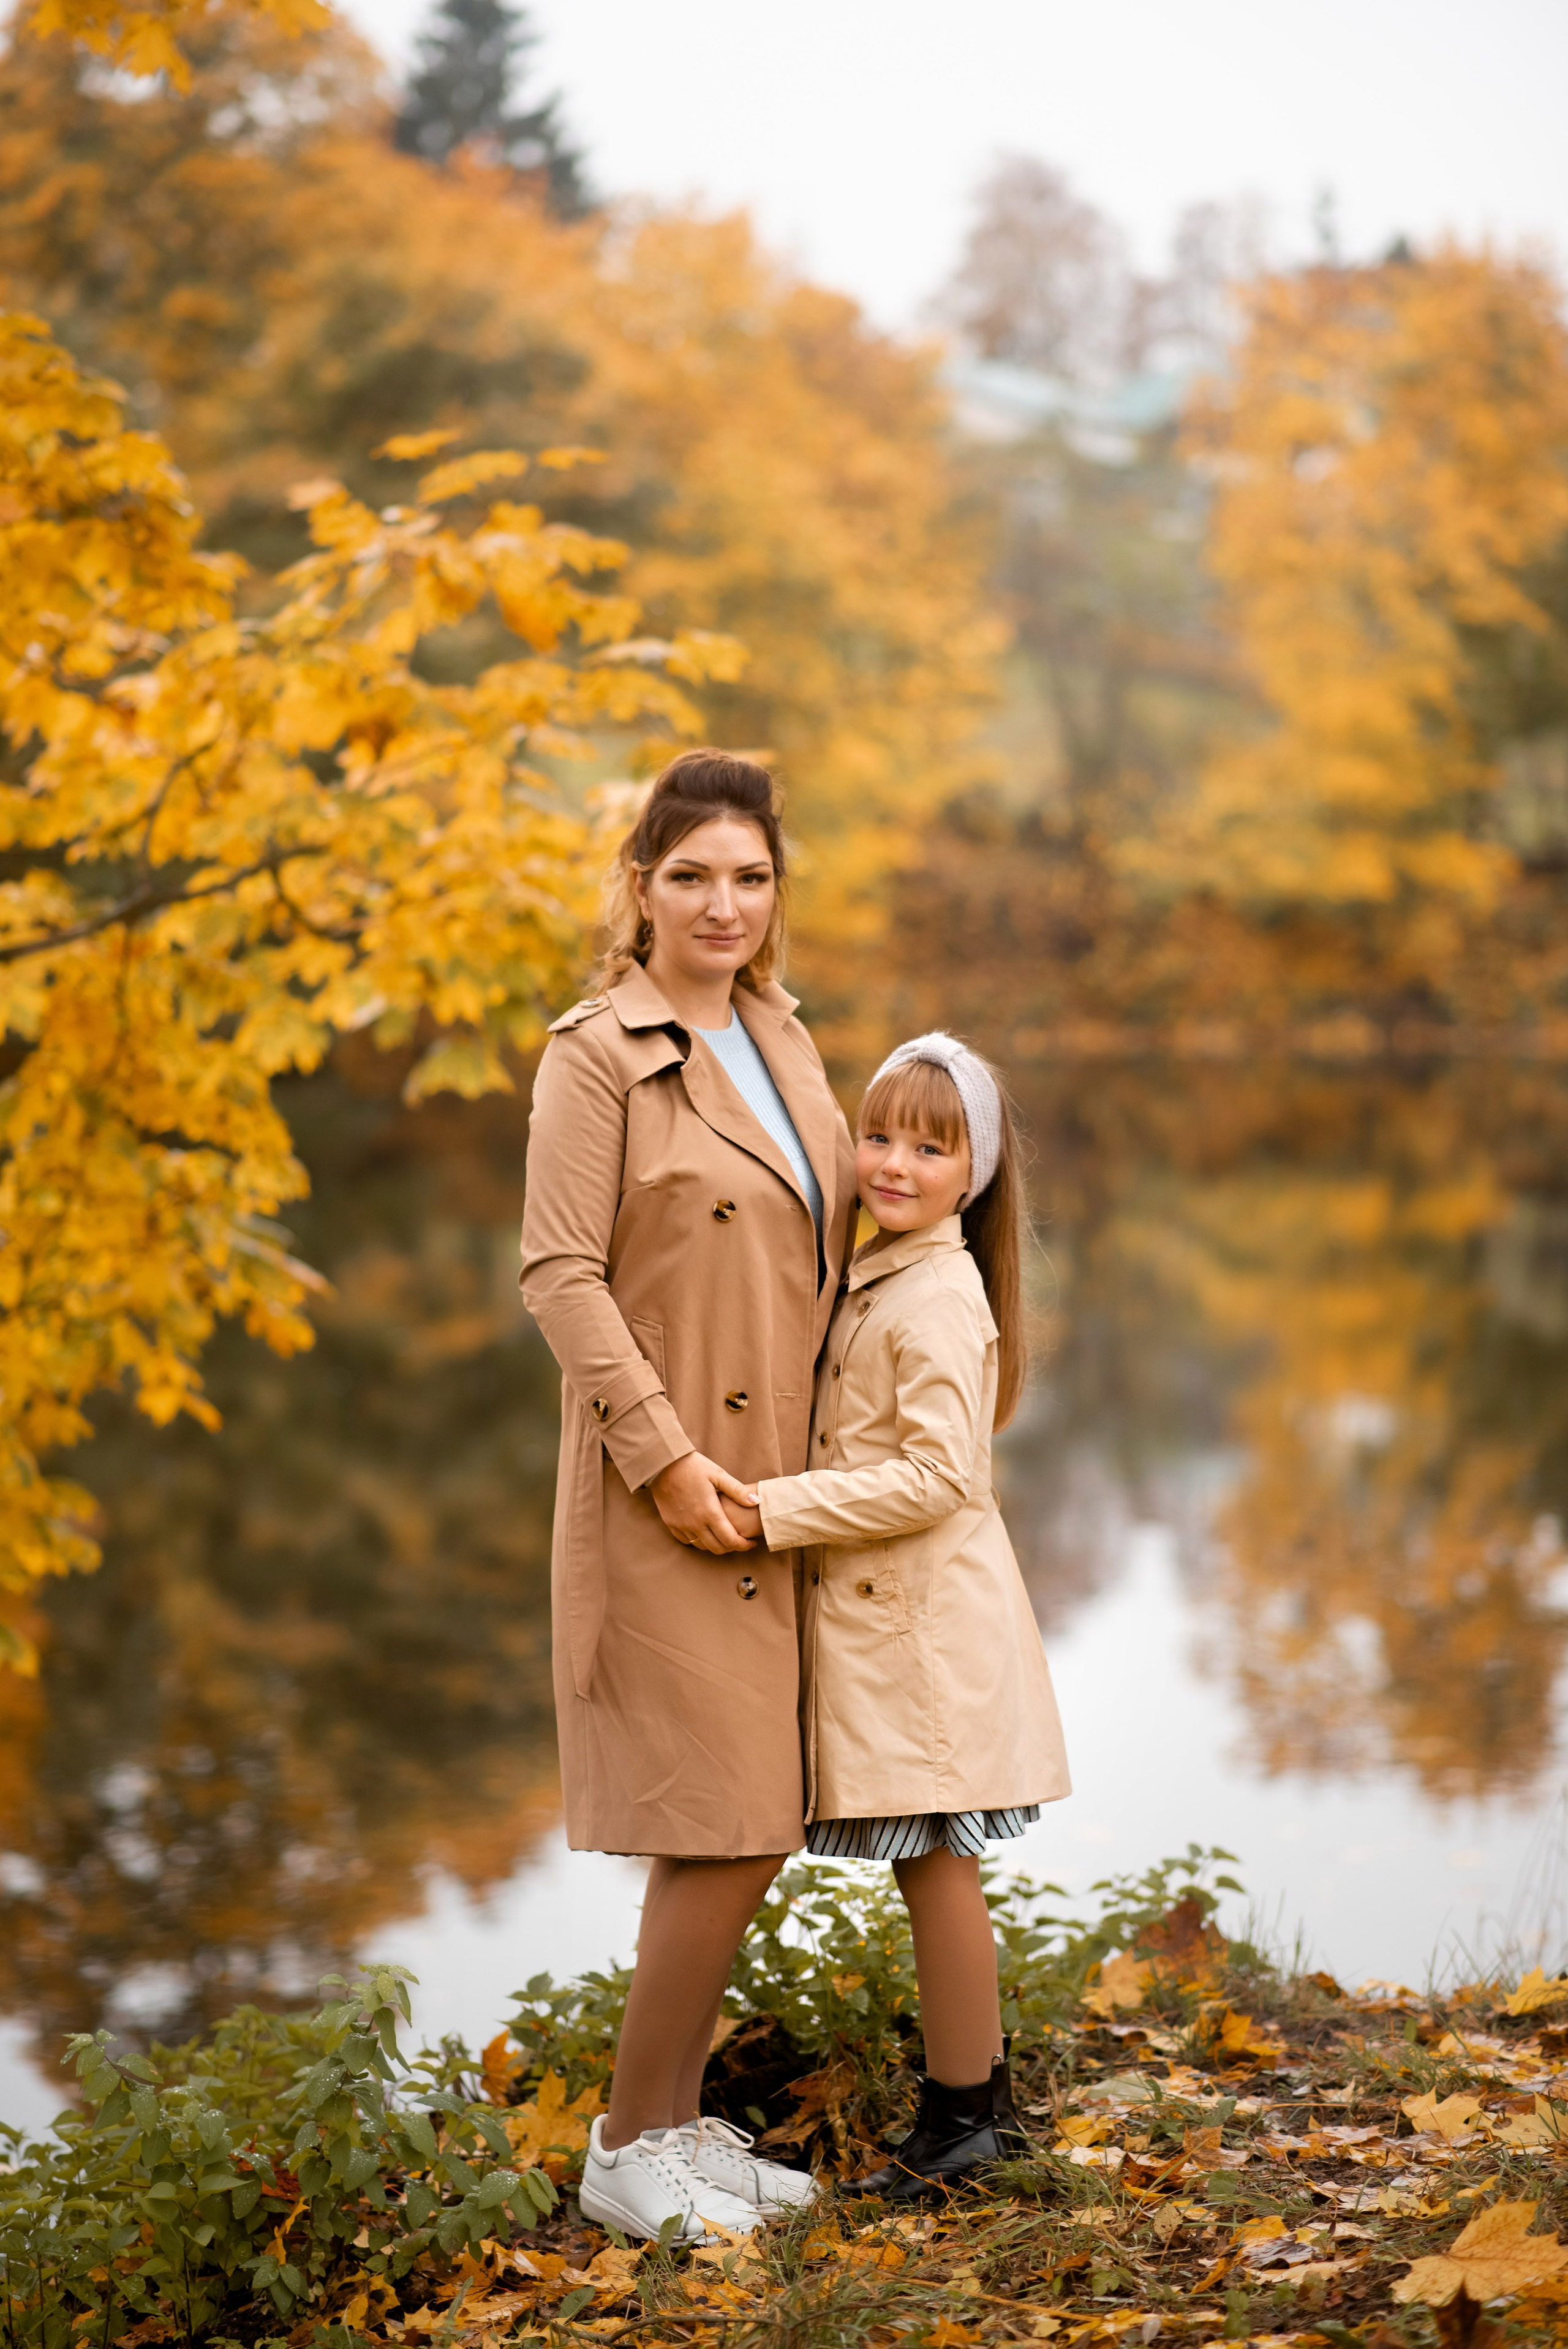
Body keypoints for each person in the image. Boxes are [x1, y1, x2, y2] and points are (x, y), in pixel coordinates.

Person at [519, 749, 858, 2242]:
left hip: (789, 1485)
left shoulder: (785, 1034)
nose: (723, 904)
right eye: (691, 876)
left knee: (753, 1811)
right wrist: (662, 1458)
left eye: (750, 876)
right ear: (639, 888)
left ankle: (665, 2123)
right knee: (719, 1814)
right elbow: (556, 1272)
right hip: (670, 1482)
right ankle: (624, 2146)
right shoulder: (596, 1052)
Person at [724, 1032, 1071, 2200]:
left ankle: (965, 2124)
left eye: (931, 1147)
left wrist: (775, 1510)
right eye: (878, 1136)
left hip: (925, 1636)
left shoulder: (935, 1296)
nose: (895, 1164)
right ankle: (979, 2111)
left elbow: (940, 1477)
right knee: (933, 1866)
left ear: (972, 1172)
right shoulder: (889, 1266)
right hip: (901, 1623)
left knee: (937, 1866)